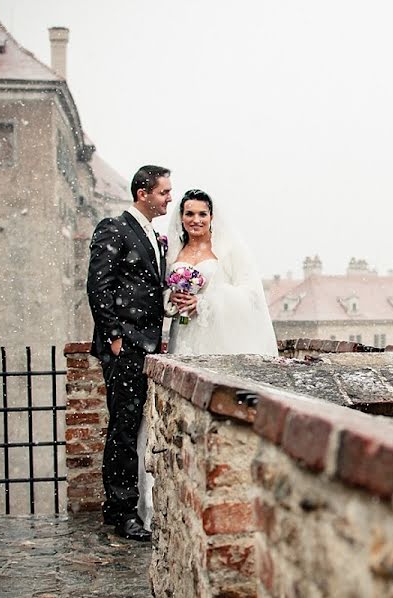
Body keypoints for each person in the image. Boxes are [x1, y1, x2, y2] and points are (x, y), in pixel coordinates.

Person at [136, 188, 277, 529]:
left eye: (202, 214)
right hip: (185, 337)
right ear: (181, 218)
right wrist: (176, 300)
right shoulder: (174, 253)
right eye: (189, 214)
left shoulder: (228, 249)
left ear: (212, 217)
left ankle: (222, 483)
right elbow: (165, 297)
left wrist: (207, 302)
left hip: (220, 338)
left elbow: (251, 297)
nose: (195, 220)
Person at [86, 165, 172, 542]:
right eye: (164, 192)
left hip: (147, 344)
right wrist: (115, 337)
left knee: (132, 423)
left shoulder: (154, 235)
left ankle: (118, 508)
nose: (169, 197)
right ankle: (123, 513)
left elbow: (147, 290)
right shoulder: (114, 227)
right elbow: (98, 286)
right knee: (123, 426)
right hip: (126, 347)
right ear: (142, 193)